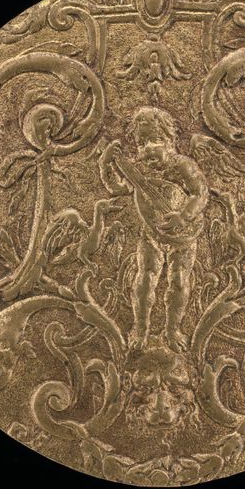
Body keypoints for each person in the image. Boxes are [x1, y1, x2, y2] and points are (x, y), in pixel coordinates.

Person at [99, 106, 208, 352]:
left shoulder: (182, 165)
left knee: (179, 280)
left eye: (156, 139)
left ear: (169, 139)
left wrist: (183, 216)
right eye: (142, 142)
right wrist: (106, 165)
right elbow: (117, 189)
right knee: (145, 278)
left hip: (183, 236)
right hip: (151, 233)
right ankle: (140, 329)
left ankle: (172, 330)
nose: (148, 148)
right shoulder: (138, 168)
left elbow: (200, 193)